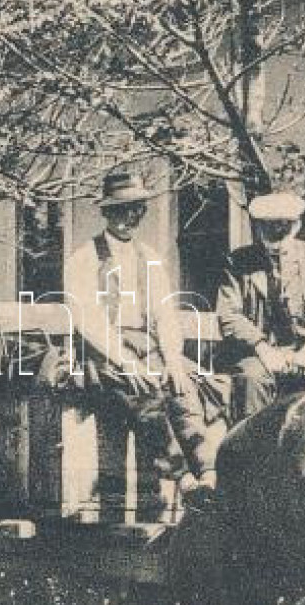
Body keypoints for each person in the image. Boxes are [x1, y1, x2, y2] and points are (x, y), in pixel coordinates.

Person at [62, 169, 221, 509]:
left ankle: (207, 472)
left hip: (146, 347)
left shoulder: (150, 258)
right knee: (141, 388)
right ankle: (181, 475)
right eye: (120, 210)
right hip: (100, 351)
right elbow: (88, 321)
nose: (128, 218)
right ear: (106, 212)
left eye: (136, 210)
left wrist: (174, 360)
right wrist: (125, 360)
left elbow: (165, 314)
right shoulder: (84, 259)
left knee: (182, 387)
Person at [215, 189, 305, 418]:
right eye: (269, 227)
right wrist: (263, 348)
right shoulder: (238, 262)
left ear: (296, 226)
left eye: (284, 227)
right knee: (251, 380)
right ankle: (255, 452)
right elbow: (229, 315)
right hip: (255, 354)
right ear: (258, 227)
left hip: (302, 351)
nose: (276, 234)